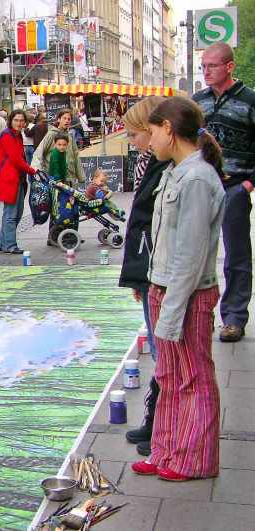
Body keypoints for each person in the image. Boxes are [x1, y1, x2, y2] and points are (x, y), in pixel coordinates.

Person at [130, 97, 225, 482]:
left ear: (168, 129)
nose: (149, 141)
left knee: (193, 378)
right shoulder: (174, 171)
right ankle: (166, 450)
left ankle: (195, 459)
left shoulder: (198, 179)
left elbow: (189, 254)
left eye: (152, 132)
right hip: (163, 288)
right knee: (169, 377)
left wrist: (171, 308)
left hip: (184, 294)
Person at [193, 42, 255, 343]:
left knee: (237, 254)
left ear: (229, 67)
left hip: (235, 186)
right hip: (201, 187)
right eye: (203, 66)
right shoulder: (197, 102)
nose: (206, 71)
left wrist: (249, 183)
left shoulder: (250, 100)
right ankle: (199, 314)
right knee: (196, 251)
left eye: (212, 66)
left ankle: (233, 317)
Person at [118, 95, 169, 458]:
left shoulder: (168, 169)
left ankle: (162, 425)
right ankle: (156, 420)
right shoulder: (149, 164)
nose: (132, 141)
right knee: (159, 349)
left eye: (136, 134)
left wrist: (145, 276)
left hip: (160, 272)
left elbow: (154, 227)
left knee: (165, 353)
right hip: (148, 270)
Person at [0, 110, 37, 255]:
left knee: (16, 213)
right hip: (9, 180)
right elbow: (16, 160)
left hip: (18, 179)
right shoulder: (7, 135)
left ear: (25, 122)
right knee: (11, 214)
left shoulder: (18, 136)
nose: (19, 123)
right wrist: (33, 171)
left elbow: (20, 159)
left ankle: (0, 243)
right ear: (11, 121)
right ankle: (10, 245)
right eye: (16, 120)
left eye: (21, 120)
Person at [31, 109, 85, 188]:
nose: (66, 121)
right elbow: (39, 152)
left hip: (69, 177)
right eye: (64, 118)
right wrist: (37, 172)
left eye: (69, 119)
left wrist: (81, 177)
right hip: (55, 178)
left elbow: (76, 156)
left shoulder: (70, 137)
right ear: (59, 119)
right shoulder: (52, 134)